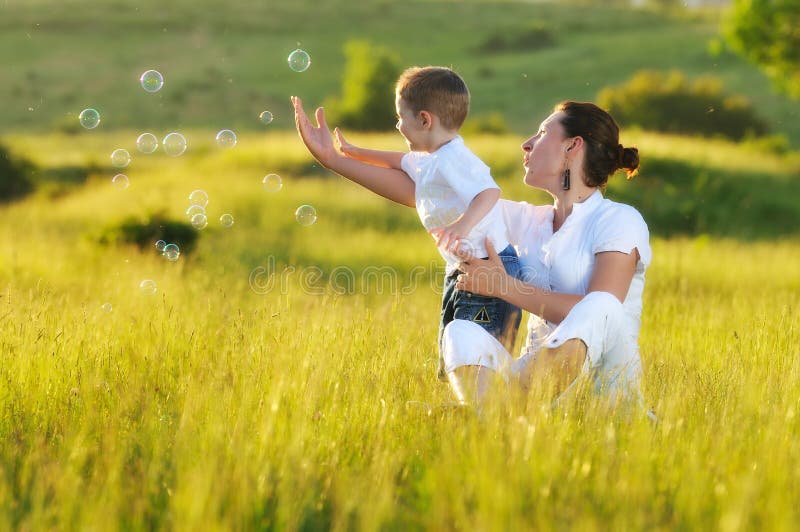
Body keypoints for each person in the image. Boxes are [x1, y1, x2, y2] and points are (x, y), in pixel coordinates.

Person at [293, 96, 650, 411]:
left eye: (541, 134)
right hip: (535, 381)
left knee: (601, 305)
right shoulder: (528, 220)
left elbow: (602, 311)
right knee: (461, 331)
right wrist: (333, 159)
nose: (527, 144)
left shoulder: (619, 219)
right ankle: (496, 413)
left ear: (572, 147)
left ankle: (494, 412)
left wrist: (503, 287)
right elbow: (425, 193)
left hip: (604, 389)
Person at [294, 66, 522, 389]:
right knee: (452, 352)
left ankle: (495, 419)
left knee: (477, 359)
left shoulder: (455, 158)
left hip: (490, 271)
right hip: (462, 270)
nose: (398, 125)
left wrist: (462, 224)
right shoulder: (432, 157)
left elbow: (489, 191)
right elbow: (400, 162)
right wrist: (348, 153)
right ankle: (468, 418)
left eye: (401, 117)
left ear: (425, 120)